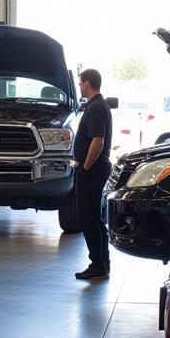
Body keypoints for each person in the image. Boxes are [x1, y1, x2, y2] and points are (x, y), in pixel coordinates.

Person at [73, 68, 114, 280]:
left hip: (93, 169)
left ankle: (98, 263)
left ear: (87, 83)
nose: (80, 86)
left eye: (80, 83)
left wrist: (86, 166)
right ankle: (102, 261)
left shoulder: (96, 107)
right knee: (94, 217)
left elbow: (98, 140)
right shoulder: (97, 105)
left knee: (87, 217)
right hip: (96, 168)